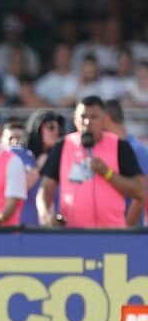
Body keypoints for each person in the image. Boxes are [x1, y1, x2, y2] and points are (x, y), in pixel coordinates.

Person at [37, 96, 144, 228]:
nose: (87, 122)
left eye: (94, 117)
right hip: (73, 234)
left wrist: (107, 173)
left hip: (112, 234)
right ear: (75, 120)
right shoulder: (63, 146)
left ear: (104, 120)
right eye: (83, 117)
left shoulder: (120, 146)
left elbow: (140, 190)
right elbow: (46, 188)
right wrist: (45, 215)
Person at [1, 119, 40, 226]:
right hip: (4, 222)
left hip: (31, 220)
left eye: (19, 138)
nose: (15, 142)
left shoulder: (35, 159)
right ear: (1, 141)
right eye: (10, 139)